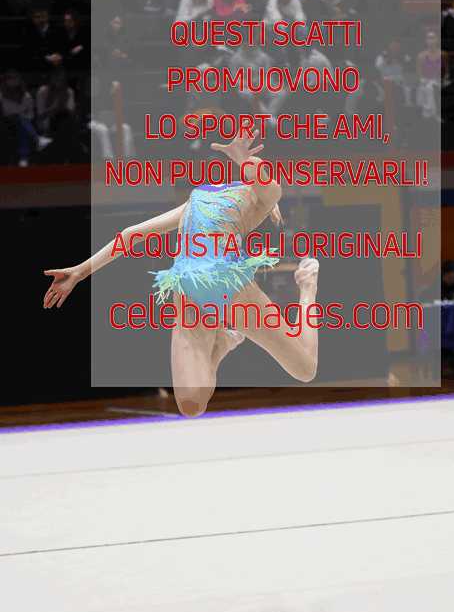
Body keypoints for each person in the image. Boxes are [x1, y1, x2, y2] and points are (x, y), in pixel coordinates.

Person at [43, 131, 320, 418]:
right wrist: (80, 271)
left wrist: (244, 159)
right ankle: (223, 343)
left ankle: (307, 286)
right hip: (188, 291)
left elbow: (268, 186)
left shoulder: (260, 196)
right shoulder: (195, 200)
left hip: (233, 289)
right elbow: (131, 234)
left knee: (305, 370)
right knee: (191, 405)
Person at [0, 70, 52, 166]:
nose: (13, 81)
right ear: (5, 81)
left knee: (22, 126)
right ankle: (36, 141)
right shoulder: (1, 95)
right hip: (6, 121)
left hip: (23, 120)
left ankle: (24, 158)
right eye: (10, 79)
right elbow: (6, 110)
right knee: (20, 120)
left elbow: (31, 113)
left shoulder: (26, 95)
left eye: (15, 79)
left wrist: (21, 113)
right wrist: (20, 111)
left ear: (19, 80)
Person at [416, 30, 449, 121]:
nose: (431, 40)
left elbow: (447, 72)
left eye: (433, 37)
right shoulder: (421, 56)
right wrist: (423, 80)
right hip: (426, 81)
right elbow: (419, 74)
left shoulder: (443, 54)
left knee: (432, 87)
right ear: (426, 40)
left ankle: (431, 112)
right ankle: (432, 113)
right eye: (429, 38)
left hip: (439, 81)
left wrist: (442, 80)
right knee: (428, 88)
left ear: (437, 39)